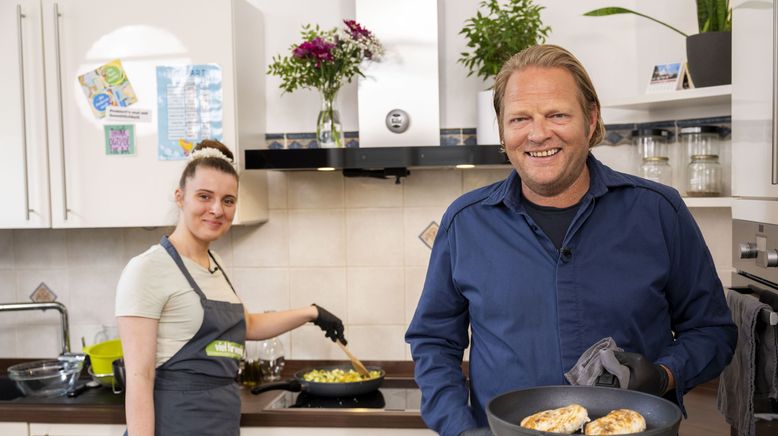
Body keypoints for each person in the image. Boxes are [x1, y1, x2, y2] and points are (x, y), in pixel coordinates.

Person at [405, 44, 737, 436]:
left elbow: (712, 331)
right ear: (503, 130)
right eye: (520, 118)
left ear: (591, 120)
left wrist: (663, 375)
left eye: (557, 115)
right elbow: (433, 342)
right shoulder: (465, 222)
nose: (538, 133)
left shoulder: (659, 211)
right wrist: (460, 429)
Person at [116, 140, 346, 436]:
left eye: (228, 200)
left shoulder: (214, 263)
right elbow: (139, 377)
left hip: (220, 420)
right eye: (204, 196)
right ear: (180, 197)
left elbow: (246, 324)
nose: (217, 209)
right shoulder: (147, 269)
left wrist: (312, 313)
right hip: (175, 424)